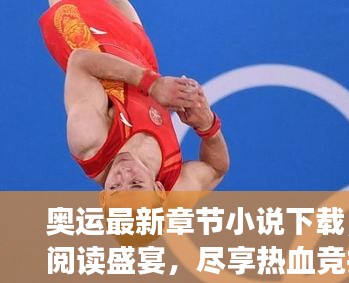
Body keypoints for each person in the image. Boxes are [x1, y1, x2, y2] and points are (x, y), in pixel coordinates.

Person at [39, 0, 230, 207]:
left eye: (114, 187)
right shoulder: (176, 186)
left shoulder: (89, 139)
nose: (123, 173)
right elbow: (216, 169)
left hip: (89, 37)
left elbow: (80, 61)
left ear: (103, 198)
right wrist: (207, 126)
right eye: (136, 183)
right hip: (140, 54)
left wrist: (152, 83)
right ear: (159, 190)